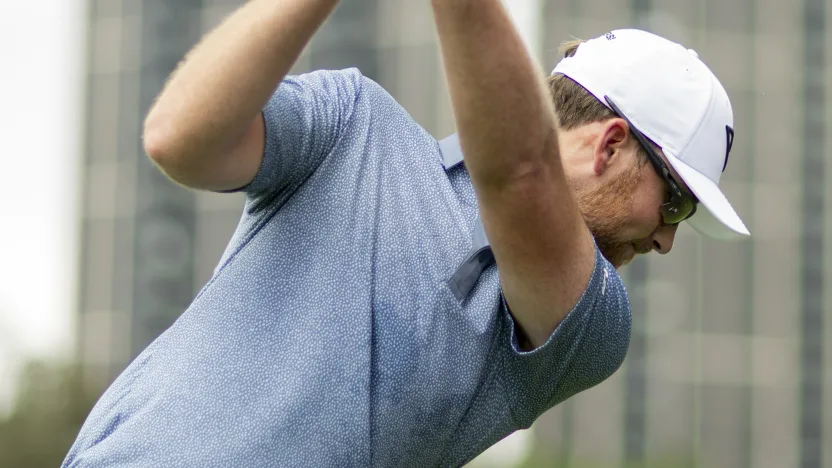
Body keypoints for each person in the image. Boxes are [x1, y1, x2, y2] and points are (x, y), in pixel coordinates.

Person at [62, 0, 749, 467]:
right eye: (676, 206)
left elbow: (517, 173)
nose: (665, 242)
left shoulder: (597, 324)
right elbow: (178, 138)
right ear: (611, 147)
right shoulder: (351, 122)